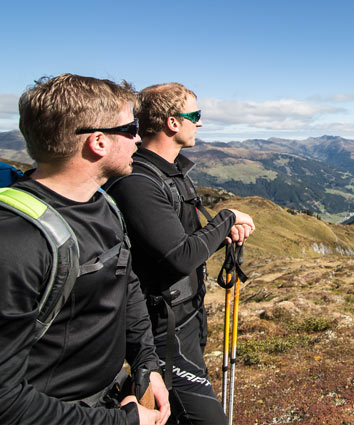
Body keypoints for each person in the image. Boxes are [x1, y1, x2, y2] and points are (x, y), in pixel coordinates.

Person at [0, 74, 170, 424]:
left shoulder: (103, 202)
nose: (139, 137)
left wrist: (145, 363)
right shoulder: (17, 242)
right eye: (130, 127)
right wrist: (125, 422)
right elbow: (6, 401)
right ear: (98, 142)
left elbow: (125, 282)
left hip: (110, 400)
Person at [106, 83, 255, 424]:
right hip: (163, 331)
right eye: (195, 116)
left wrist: (220, 233)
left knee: (173, 414)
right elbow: (179, 256)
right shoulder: (139, 182)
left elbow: (178, 240)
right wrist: (226, 219)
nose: (199, 124)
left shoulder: (169, 174)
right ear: (173, 123)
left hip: (185, 320)